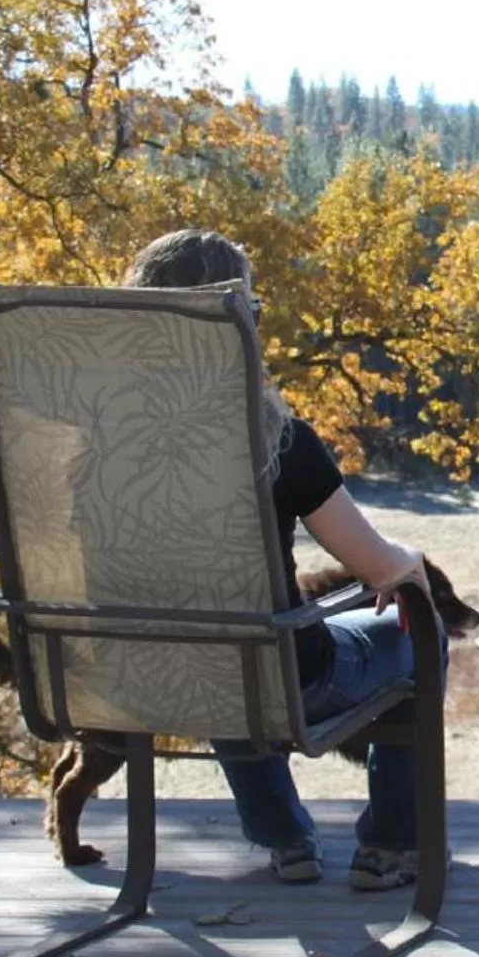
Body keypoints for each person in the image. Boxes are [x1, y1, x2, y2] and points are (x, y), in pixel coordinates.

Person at [122, 228, 438, 891]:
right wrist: (409, 564)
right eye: (254, 312)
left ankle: (285, 839)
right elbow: (378, 568)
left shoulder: (98, 445)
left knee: (219, 656)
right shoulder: (277, 440)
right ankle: (388, 847)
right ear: (234, 325)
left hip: (147, 673)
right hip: (287, 677)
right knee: (420, 632)